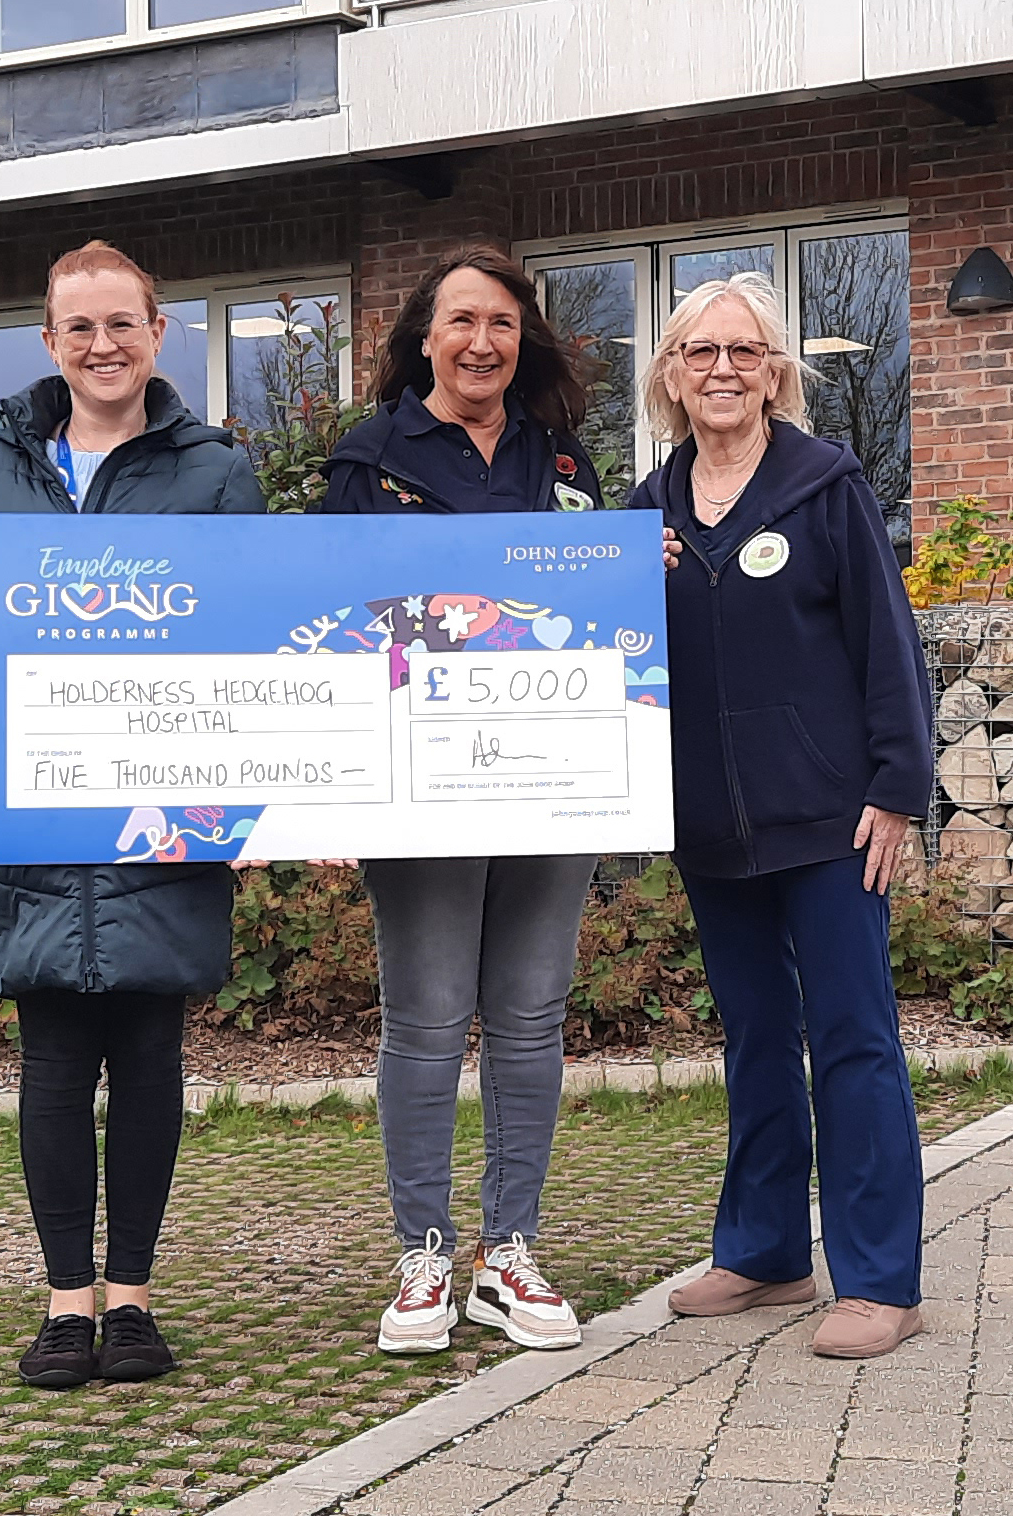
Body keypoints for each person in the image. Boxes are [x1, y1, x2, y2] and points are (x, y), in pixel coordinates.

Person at [0, 240, 264, 1389]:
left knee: (148, 1056)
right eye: (78, 328)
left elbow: (261, 627)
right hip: (34, 800)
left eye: (121, 325)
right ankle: (62, 1304)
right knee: (51, 1064)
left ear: (158, 331)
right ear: (49, 341)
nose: (102, 346)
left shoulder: (213, 469)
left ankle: (132, 1299)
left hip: (164, 802)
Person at [635, 273, 935, 1359]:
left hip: (831, 821)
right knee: (756, 1037)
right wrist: (631, 584)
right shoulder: (643, 514)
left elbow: (886, 642)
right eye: (699, 352)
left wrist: (899, 787)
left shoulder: (826, 482)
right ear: (669, 375)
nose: (721, 369)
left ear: (775, 375)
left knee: (853, 1040)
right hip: (710, 827)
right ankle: (764, 1251)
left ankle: (879, 1279)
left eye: (743, 352)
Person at [317, 245, 605, 1355]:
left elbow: (589, 603)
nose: (482, 341)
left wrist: (647, 562)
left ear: (521, 335)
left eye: (500, 321)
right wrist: (336, 790)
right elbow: (337, 625)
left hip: (546, 779)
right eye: (460, 322)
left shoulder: (564, 459)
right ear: (423, 338)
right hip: (414, 786)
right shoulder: (369, 458)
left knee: (531, 1021)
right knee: (428, 1023)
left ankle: (510, 1251)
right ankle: (424, 1255)